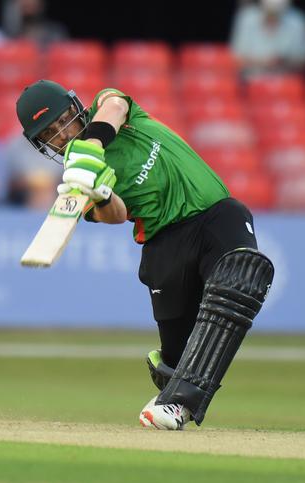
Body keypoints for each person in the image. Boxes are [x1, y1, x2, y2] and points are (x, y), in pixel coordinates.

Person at [15, 80, 274, 430]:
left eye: (63, 121)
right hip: (162, 242)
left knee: (241, 278)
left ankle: (180, 400)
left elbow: (115, 108)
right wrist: (101, 191)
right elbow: (116, 215)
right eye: (50, 133)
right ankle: (173, 384)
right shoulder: (76, 179)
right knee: (178, 362)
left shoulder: (111, 107)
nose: (61, 135)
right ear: (40, 144)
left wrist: (90, 146)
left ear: (76, 108)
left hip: (215, 212)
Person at [231, 0, 305, 79]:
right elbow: (237, 58)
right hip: (251, 80)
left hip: (286, 80)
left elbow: (303, 61)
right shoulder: (246, 18)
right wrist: (265, 63)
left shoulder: (298, 21)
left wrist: (283, 61)